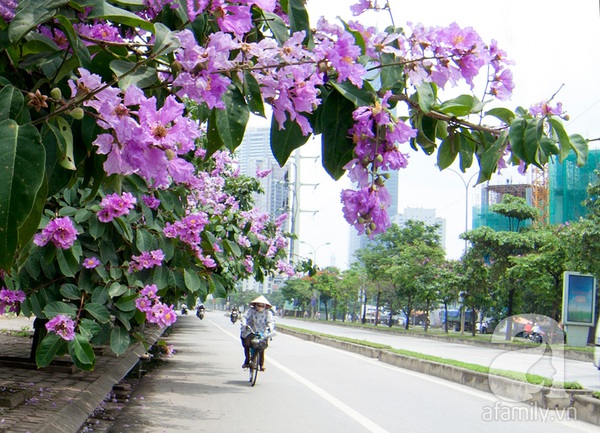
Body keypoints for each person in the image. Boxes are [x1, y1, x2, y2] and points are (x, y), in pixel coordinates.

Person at [240, 295, 275, 371]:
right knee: (246, 344)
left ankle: (261, 364)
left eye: (262, 306)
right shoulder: (251, 311)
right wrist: (244, 323)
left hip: (262, 332)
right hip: (250, 330)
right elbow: (245, 317)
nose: (260, 307)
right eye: (259, 305)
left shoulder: (267, 313)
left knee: (262, 346)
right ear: (255, 305)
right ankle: (247, 361)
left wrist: (271, 327)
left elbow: (270, 321)